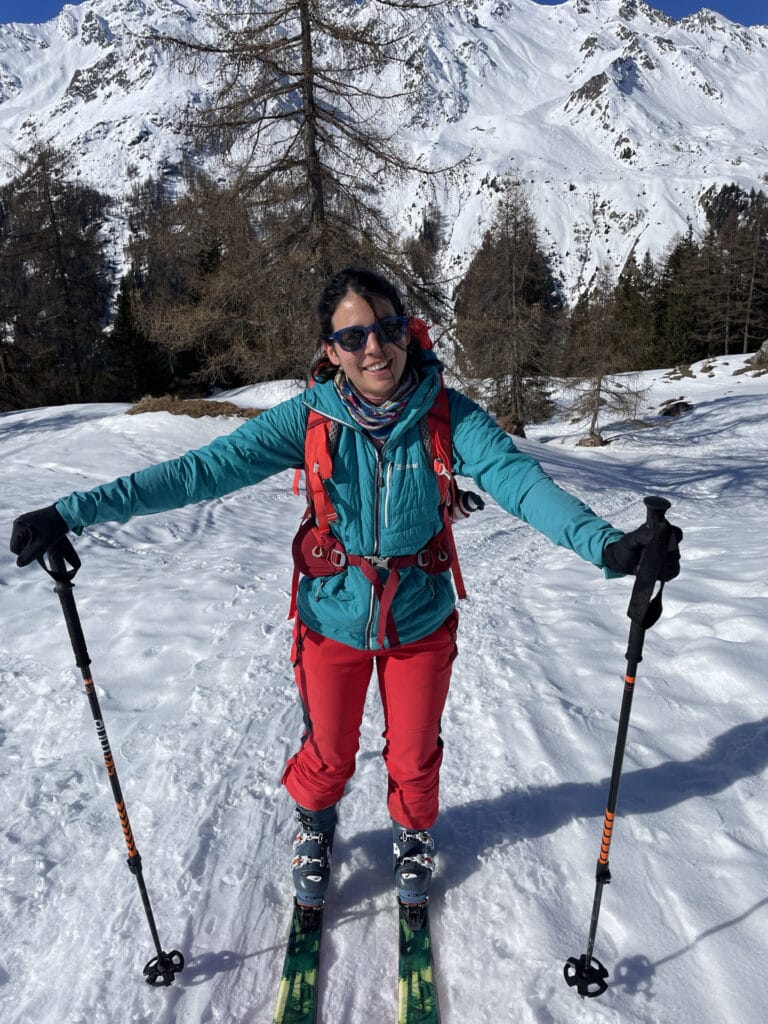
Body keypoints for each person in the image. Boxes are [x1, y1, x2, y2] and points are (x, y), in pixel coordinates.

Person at [10, 265, 680, 930]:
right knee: (328, 753)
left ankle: (412, 835)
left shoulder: (446, 415)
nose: (374, 348)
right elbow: (200, 471)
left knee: (414, 755)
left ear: (409, 332)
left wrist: (606, 546)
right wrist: (72, 512)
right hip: (331, 619)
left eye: (387, 328)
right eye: (353, 337)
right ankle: (315, 823)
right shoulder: (310, 419)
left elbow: (519, 481)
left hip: (420, 619)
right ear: (330, 351)